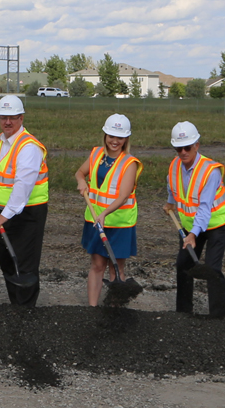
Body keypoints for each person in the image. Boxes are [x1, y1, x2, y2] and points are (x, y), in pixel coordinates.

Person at [0, 95, 48, 307]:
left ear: (21, 118)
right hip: (4, 212)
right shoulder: (2, 140)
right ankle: (15, 304)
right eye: (3, 117)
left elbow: (23, 184)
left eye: (12, 117)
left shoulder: (28, 147)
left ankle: (25, 310)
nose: (7, 122)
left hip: (26, 214)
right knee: (7, 261)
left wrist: (6, 215)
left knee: (24, 264)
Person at [165, 121, 225, 318]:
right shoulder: (175, 165)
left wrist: (193, 235)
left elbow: (204, 208)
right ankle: (183, 312)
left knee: (212, 268)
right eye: (179, 148)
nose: (183, 152)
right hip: (189, 224)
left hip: (217, 224)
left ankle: (218, 316)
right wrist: (170, 203)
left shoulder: (210, 172)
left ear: (197, 144)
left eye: (188, 147)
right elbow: (172, 185)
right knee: (184, 265)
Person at [75, 114, 142, 306]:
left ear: (126, 139)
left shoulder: (130, 163)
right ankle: (93, 308)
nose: (115, 141)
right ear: (105, 135)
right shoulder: (96, 154)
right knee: (97, 265)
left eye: (119, 137)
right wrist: (81, 181)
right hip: (95, 220)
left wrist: (105, 213)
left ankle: (115, 309)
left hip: (119, 224)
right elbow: (80, 172)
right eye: (111, 136)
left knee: (116, 269)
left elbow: (123, 196)